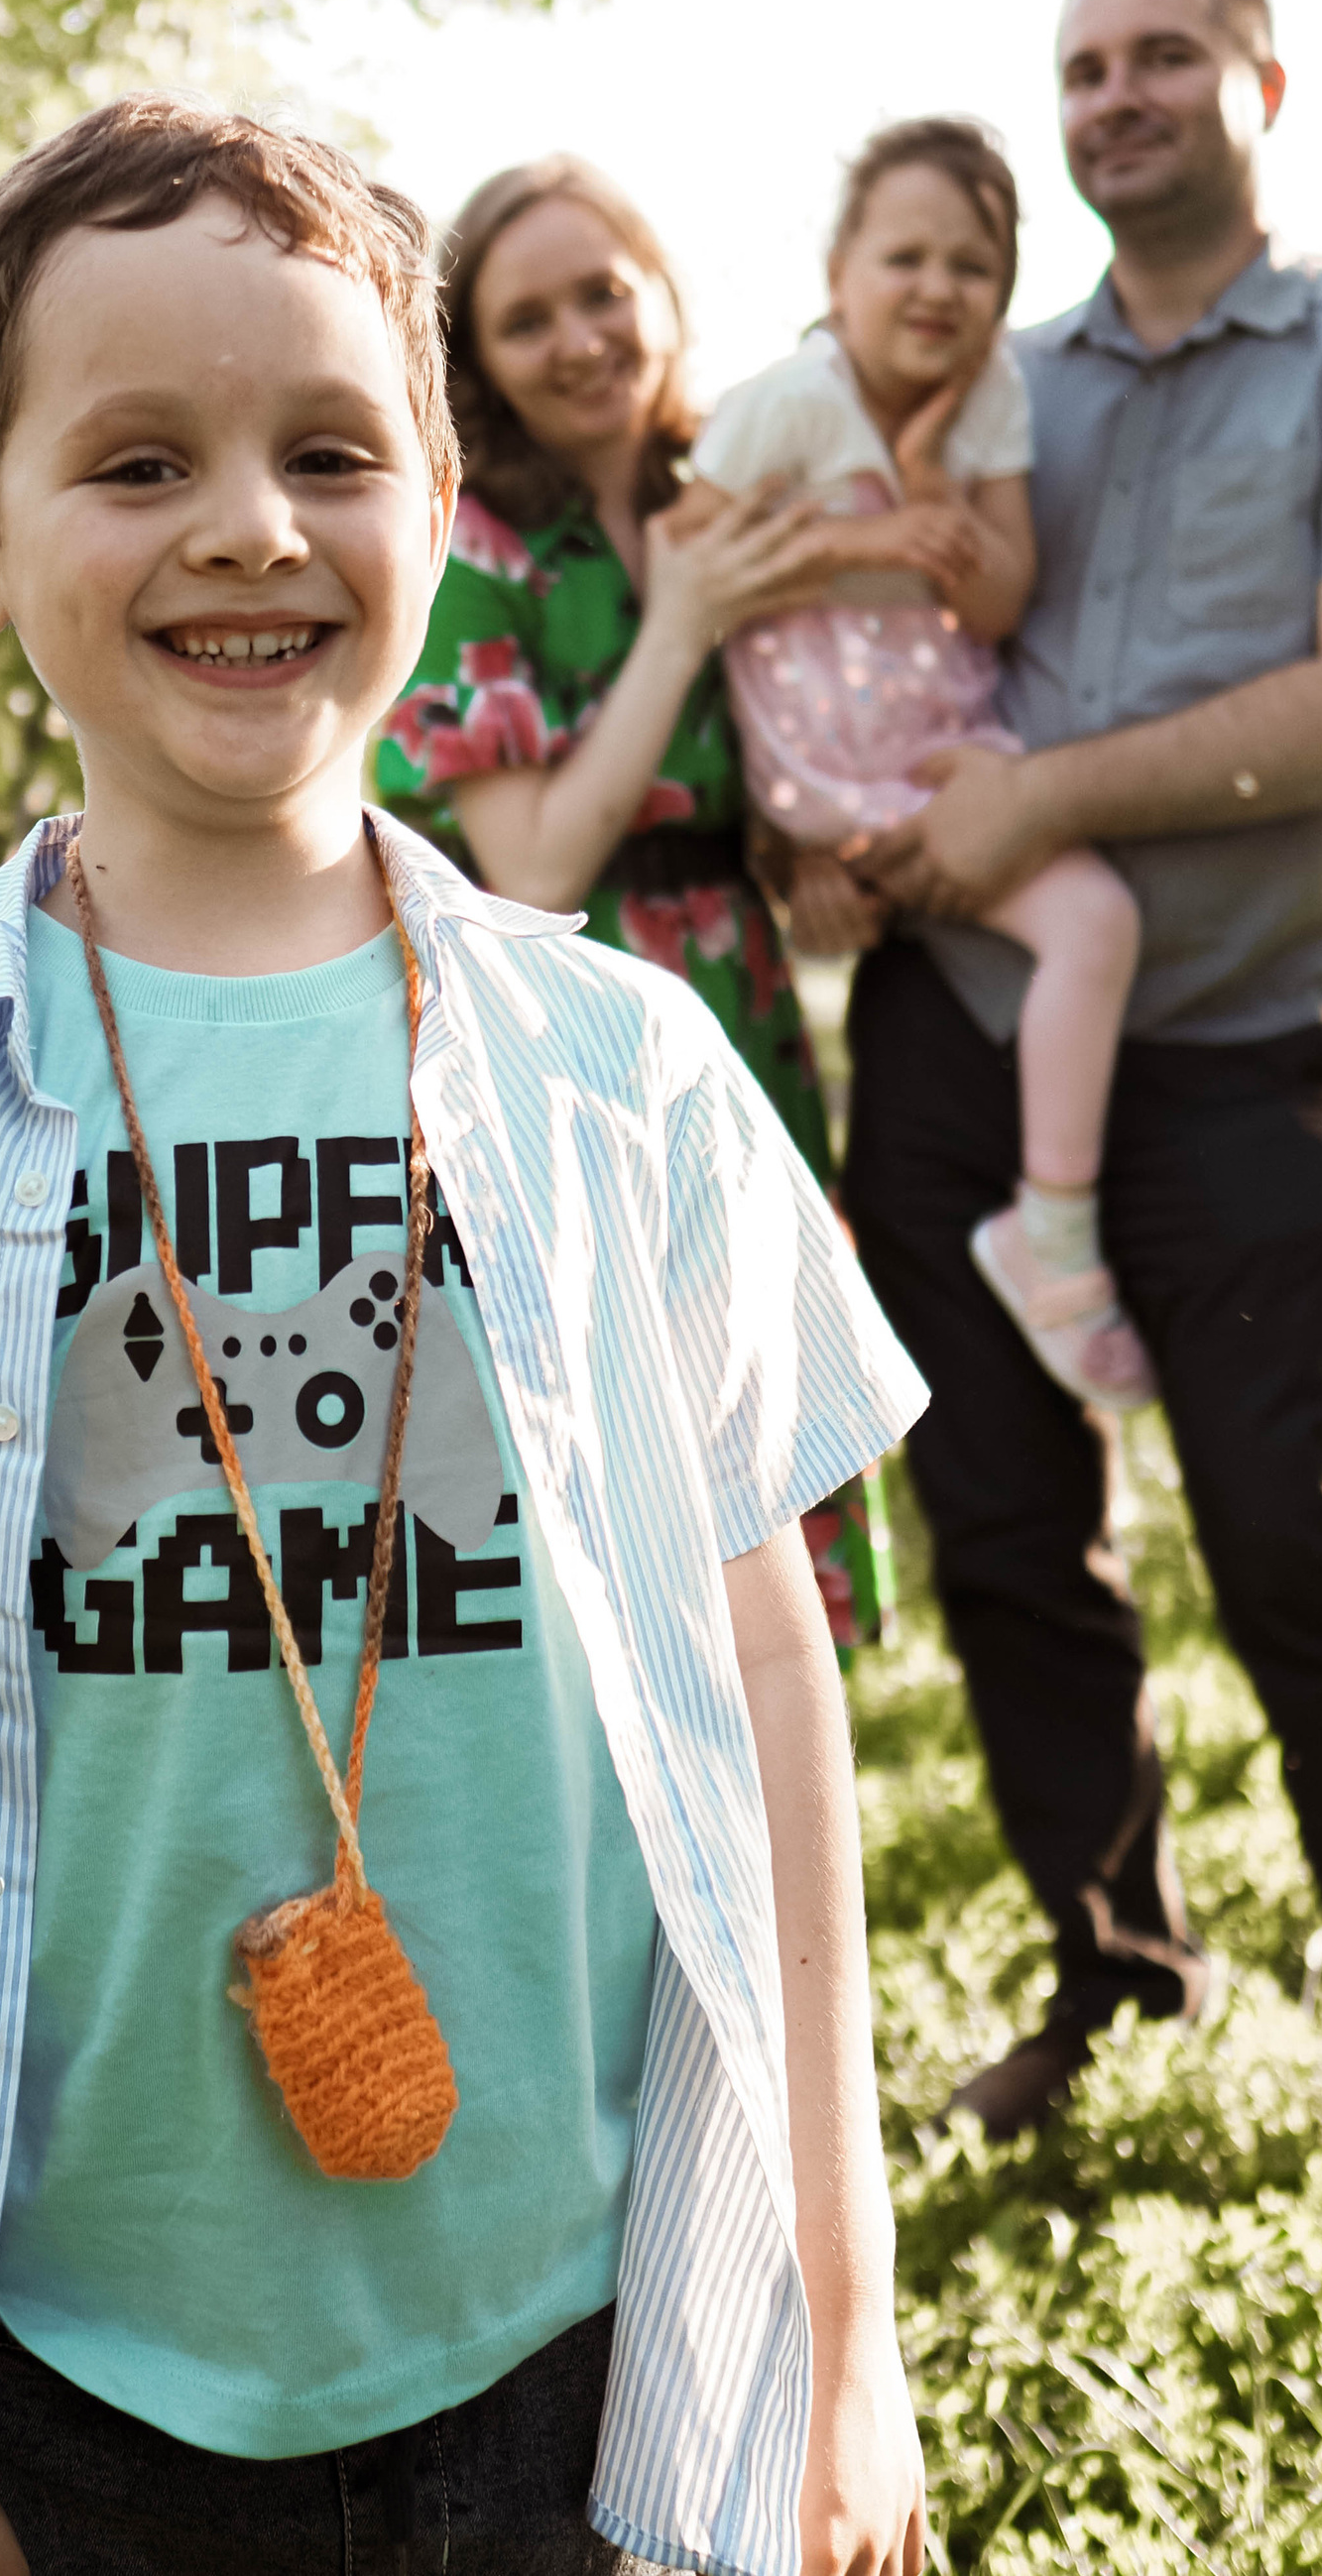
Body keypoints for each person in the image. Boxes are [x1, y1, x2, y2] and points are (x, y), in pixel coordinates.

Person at [0, 98, 931, 2576]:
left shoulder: (625, 1076)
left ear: (436, 505)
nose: (249, 527)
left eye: (328, 450)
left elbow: (764, 1679)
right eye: (134, 460)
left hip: (581, 2348)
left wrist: (846, 2315)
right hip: (59, 2393)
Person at [834, 0, 1322, 2163]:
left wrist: (1045, 798)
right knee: (1006, 1541)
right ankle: (1110, 1980)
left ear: (1260, 81)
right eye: (1078, 67)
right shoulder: (978, 368)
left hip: (1231, 1047)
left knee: (1292, 1554)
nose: (1112, 94)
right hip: (956, 1031)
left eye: (1158, 57)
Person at [376, 157, 901, 1653]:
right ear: (476, 358)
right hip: (559, 1021)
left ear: (666, 294)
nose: (583, 335)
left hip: (739, 1014)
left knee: (753, 1420)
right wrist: (678, 625)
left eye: (605, 289)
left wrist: (808, 842)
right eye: (528, 317)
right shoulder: (472, 550)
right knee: (611, 1459)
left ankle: (776, 1824)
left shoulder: (731, 497)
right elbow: (530, 864)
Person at [694, 120, 1150, 1411]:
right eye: (904, 255)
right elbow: (687, 554)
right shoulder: (789, 399)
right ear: (840, 271)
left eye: (973, 264)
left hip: (949, 758)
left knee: (1095, 920)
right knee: (1083, 920)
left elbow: (999, 603)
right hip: (824, 767)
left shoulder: (991, 395)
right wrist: (869, 532)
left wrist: (932, 470)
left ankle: (1049, 1220)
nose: (938, 287)